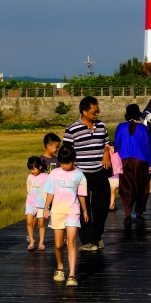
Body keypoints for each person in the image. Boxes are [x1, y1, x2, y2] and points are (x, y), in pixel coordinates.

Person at [63, 96, 111, 251]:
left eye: (98, 111)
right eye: (94, 112)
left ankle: (97, 236)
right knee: (83, 208)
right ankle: (88, 241)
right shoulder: (71, 130)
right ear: (84, 112)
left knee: (102, 206)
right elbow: (66, 153)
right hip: (81, 174)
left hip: (99, 171)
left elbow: (107, 143)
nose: (97, 114)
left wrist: (106, 153)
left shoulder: (101, 125)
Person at [42, 146, 88, 287]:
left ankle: (72, 274)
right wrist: (46, 207)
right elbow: (50, 192)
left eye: (67, 163)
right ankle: (60, 267)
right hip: (57, 211)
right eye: (62, 163)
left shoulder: (79, 174)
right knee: (58, 245)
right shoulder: (54, 173)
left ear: (74, 160)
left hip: (73, 210)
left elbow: (81, 194)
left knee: (71, 242)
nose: (65, 166)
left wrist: (85, 210)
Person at [114, 104, 151, 225]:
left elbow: (117, 145)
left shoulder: (120, 127)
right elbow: (148, 147)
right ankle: (139, 212)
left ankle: (127, 213)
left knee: (126, 187)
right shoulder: (143, 128)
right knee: (142, 187)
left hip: (124, 160)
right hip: (140, 160)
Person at [25, 156, 48, 252]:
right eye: (30, 169)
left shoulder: (46, 177)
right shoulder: (29, 177)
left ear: (40, 167)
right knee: (29, 222)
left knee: (41, 223)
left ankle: (41, 243)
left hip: (42, 203)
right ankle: (31, 241)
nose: (32, 171)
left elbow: (50, 190)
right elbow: (28, 190)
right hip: (30, 202)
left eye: (33, 169)